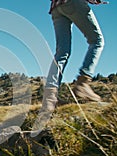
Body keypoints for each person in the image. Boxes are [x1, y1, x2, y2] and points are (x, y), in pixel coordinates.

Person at [30, 0, 106, 134]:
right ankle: (83, 83)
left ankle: (49, 99)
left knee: (61, 52)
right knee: (97, 41)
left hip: (56, 7)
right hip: (73, 2)